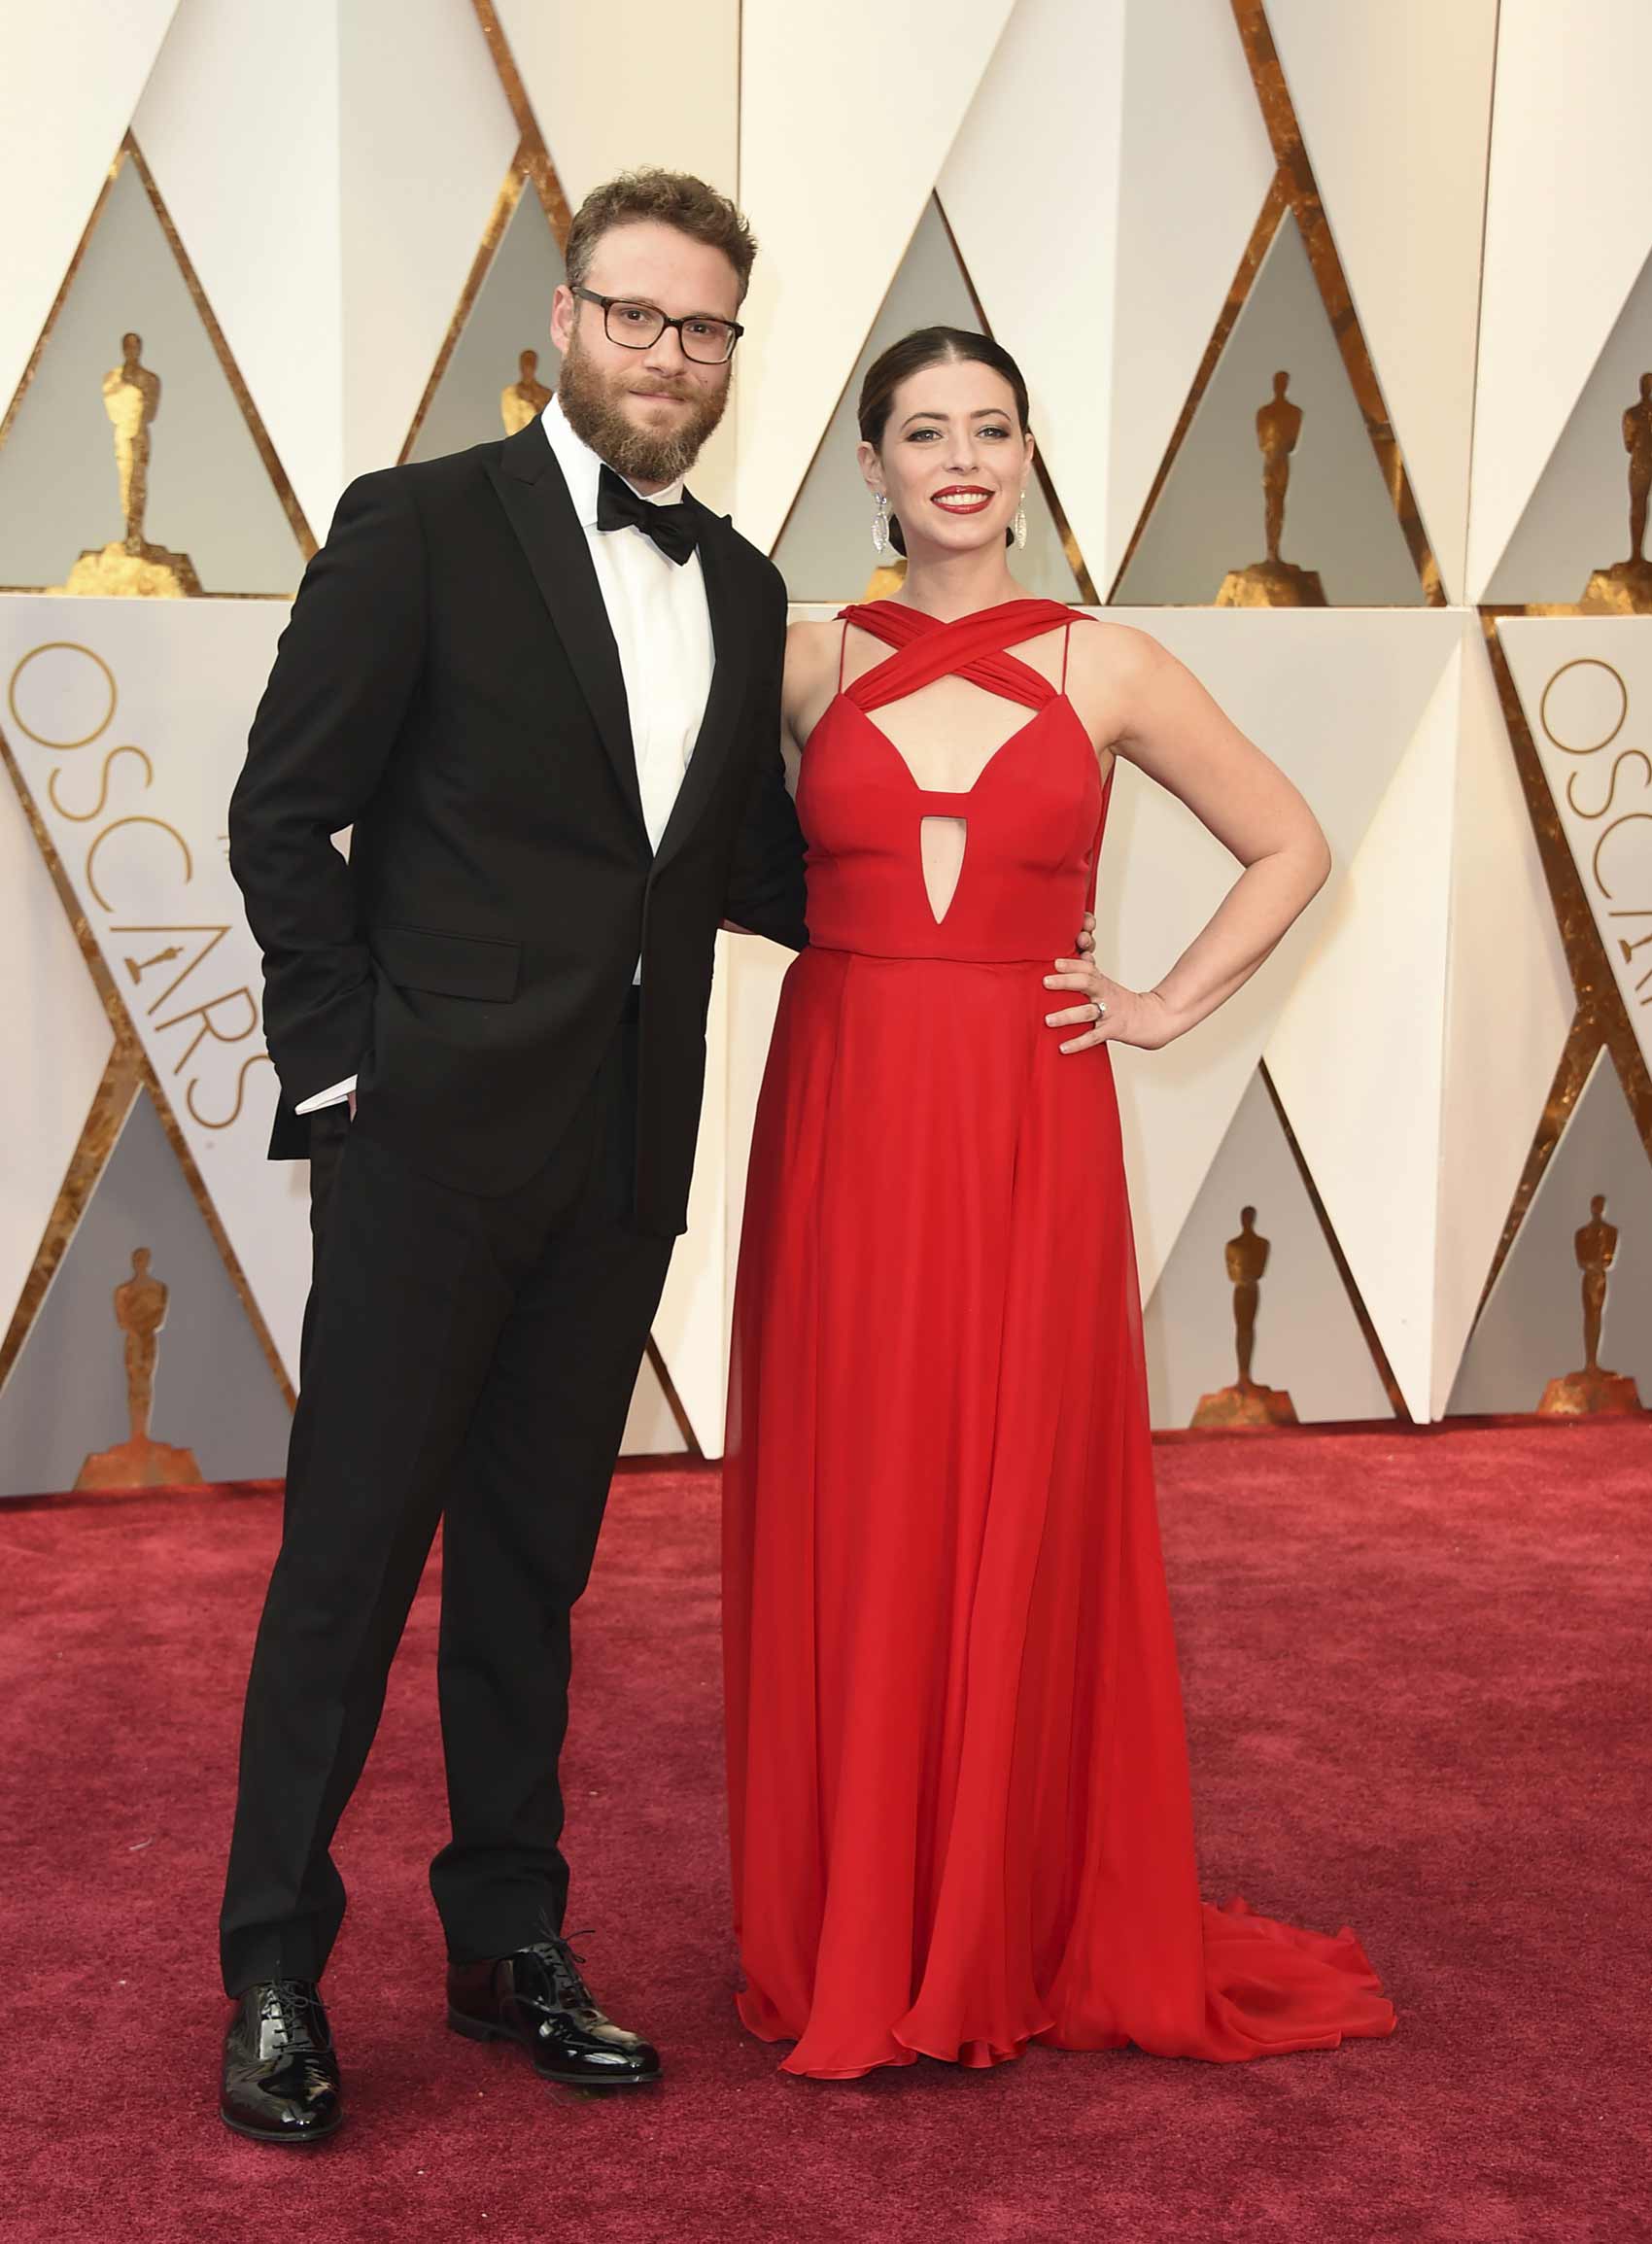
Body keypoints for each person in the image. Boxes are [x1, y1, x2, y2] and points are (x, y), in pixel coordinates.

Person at [723, 326, 1398, 2079]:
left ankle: (1008, 1909)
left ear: (1028, 458)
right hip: (849, 1104)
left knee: (1016, 1483)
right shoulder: (798, 659)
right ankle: (864, 1908)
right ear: (866, 466)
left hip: (1030, 1114)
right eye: (923, 431)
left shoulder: (1109, 665)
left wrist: (1163, 1002)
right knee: (862, 1485)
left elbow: (1291, 838)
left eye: (993, 429)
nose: (961, 459)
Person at [218, 167, 810, 2142]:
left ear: (733, 351)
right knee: (348, 1569)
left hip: (622, 1158)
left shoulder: (738, 583)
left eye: (704, 326)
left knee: (533, 1577)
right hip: (427, 1148)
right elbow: (282, 813)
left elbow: (745, 870)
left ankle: (505, 1945)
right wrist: (340, 1078)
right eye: (636, 316)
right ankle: (278, 1971)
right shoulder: (419, 528)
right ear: (564, 321)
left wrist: (981, 919)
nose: (668, 354)